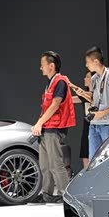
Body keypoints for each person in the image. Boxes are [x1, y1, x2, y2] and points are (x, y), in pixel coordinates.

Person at [29, 51, 76, 204]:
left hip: (54, 128)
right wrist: (40, 124)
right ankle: (47, 194)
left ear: (51, 66)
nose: (40, 68)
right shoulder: (51, 83)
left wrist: (39, 123)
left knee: (56, 164)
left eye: (42, 65)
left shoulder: (60, 82)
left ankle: (66, 196)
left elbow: (55, 105)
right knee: (45, 165)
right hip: (47, 128)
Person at [72, 46, 109, 161]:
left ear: (96, 61)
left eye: (88, 62)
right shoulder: (94, 79)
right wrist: (82, 93)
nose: (86, 65)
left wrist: (104, 113)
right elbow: (94, 99)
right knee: (93, 159)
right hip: (94, 124)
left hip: (108, 125)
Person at [71, 71, 93, 169]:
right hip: (87, 128)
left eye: (87, 77)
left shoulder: (98, 94)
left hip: (97, 127)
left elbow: (90, 96)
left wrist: (71, 85)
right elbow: (71, 99)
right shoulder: (84, 96)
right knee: (85, 155)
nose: (85, 79)